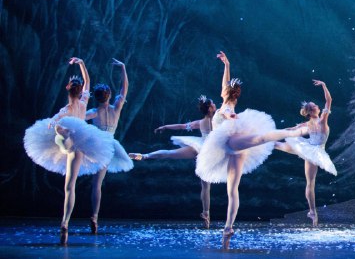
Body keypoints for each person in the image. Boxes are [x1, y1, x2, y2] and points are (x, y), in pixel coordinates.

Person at [195, 51, 305, 248]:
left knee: (261, 138)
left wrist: (230, 117)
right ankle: (228, 227)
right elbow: (225, 84)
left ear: (226, 94)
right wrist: (226, 64)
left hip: (231, 141)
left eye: (224, 89)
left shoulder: (226, 107)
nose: (221, 90)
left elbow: (228, 112)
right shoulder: (224, 102)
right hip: (230, 150)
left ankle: (292, 132)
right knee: (232, 190)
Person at [23, 58, 118, 245]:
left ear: (67, 88)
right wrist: (82, 64)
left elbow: (54, 119)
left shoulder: (66, 108)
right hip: (81, 147)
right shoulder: (84, 103)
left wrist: (54, 123)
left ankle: (65, 222)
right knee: (70, 186)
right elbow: (88, 82)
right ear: (80, 91)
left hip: (69, 144)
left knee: (68, 183)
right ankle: (67, 222)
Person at [128, 95, 217, 228]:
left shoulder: (201, 122)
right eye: (214, 104)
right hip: (209, 152)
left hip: (201, 148)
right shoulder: (219, 120)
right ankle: (206, 214)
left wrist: (165, 126)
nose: (216, 105)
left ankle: (145, 156)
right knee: (206, 186)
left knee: (170, 154)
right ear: (210, 108)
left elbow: (181, 126)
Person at [274, 80, 337, 227]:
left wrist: (279, 132)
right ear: (311, 112)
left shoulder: (307, 124)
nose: (318, 106)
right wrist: (324, 85)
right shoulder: (322, 120)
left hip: (309, 148)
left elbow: (290, 129)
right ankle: (312, 212)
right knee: (310, 183)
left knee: (278, 145)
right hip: (314, 151)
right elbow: (329, 100)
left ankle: (257, 141)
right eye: (315, 106)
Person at [84, 58, 133, 233]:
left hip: (95, 145)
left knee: (95, 184)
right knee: (98, 183)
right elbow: (124, 89)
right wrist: (123, 69)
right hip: (108, 145)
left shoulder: (93, 112)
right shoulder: (116, 108)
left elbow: (77, 118)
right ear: (109, 96)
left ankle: (94, 215)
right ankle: (95, 217)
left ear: (96, 98)